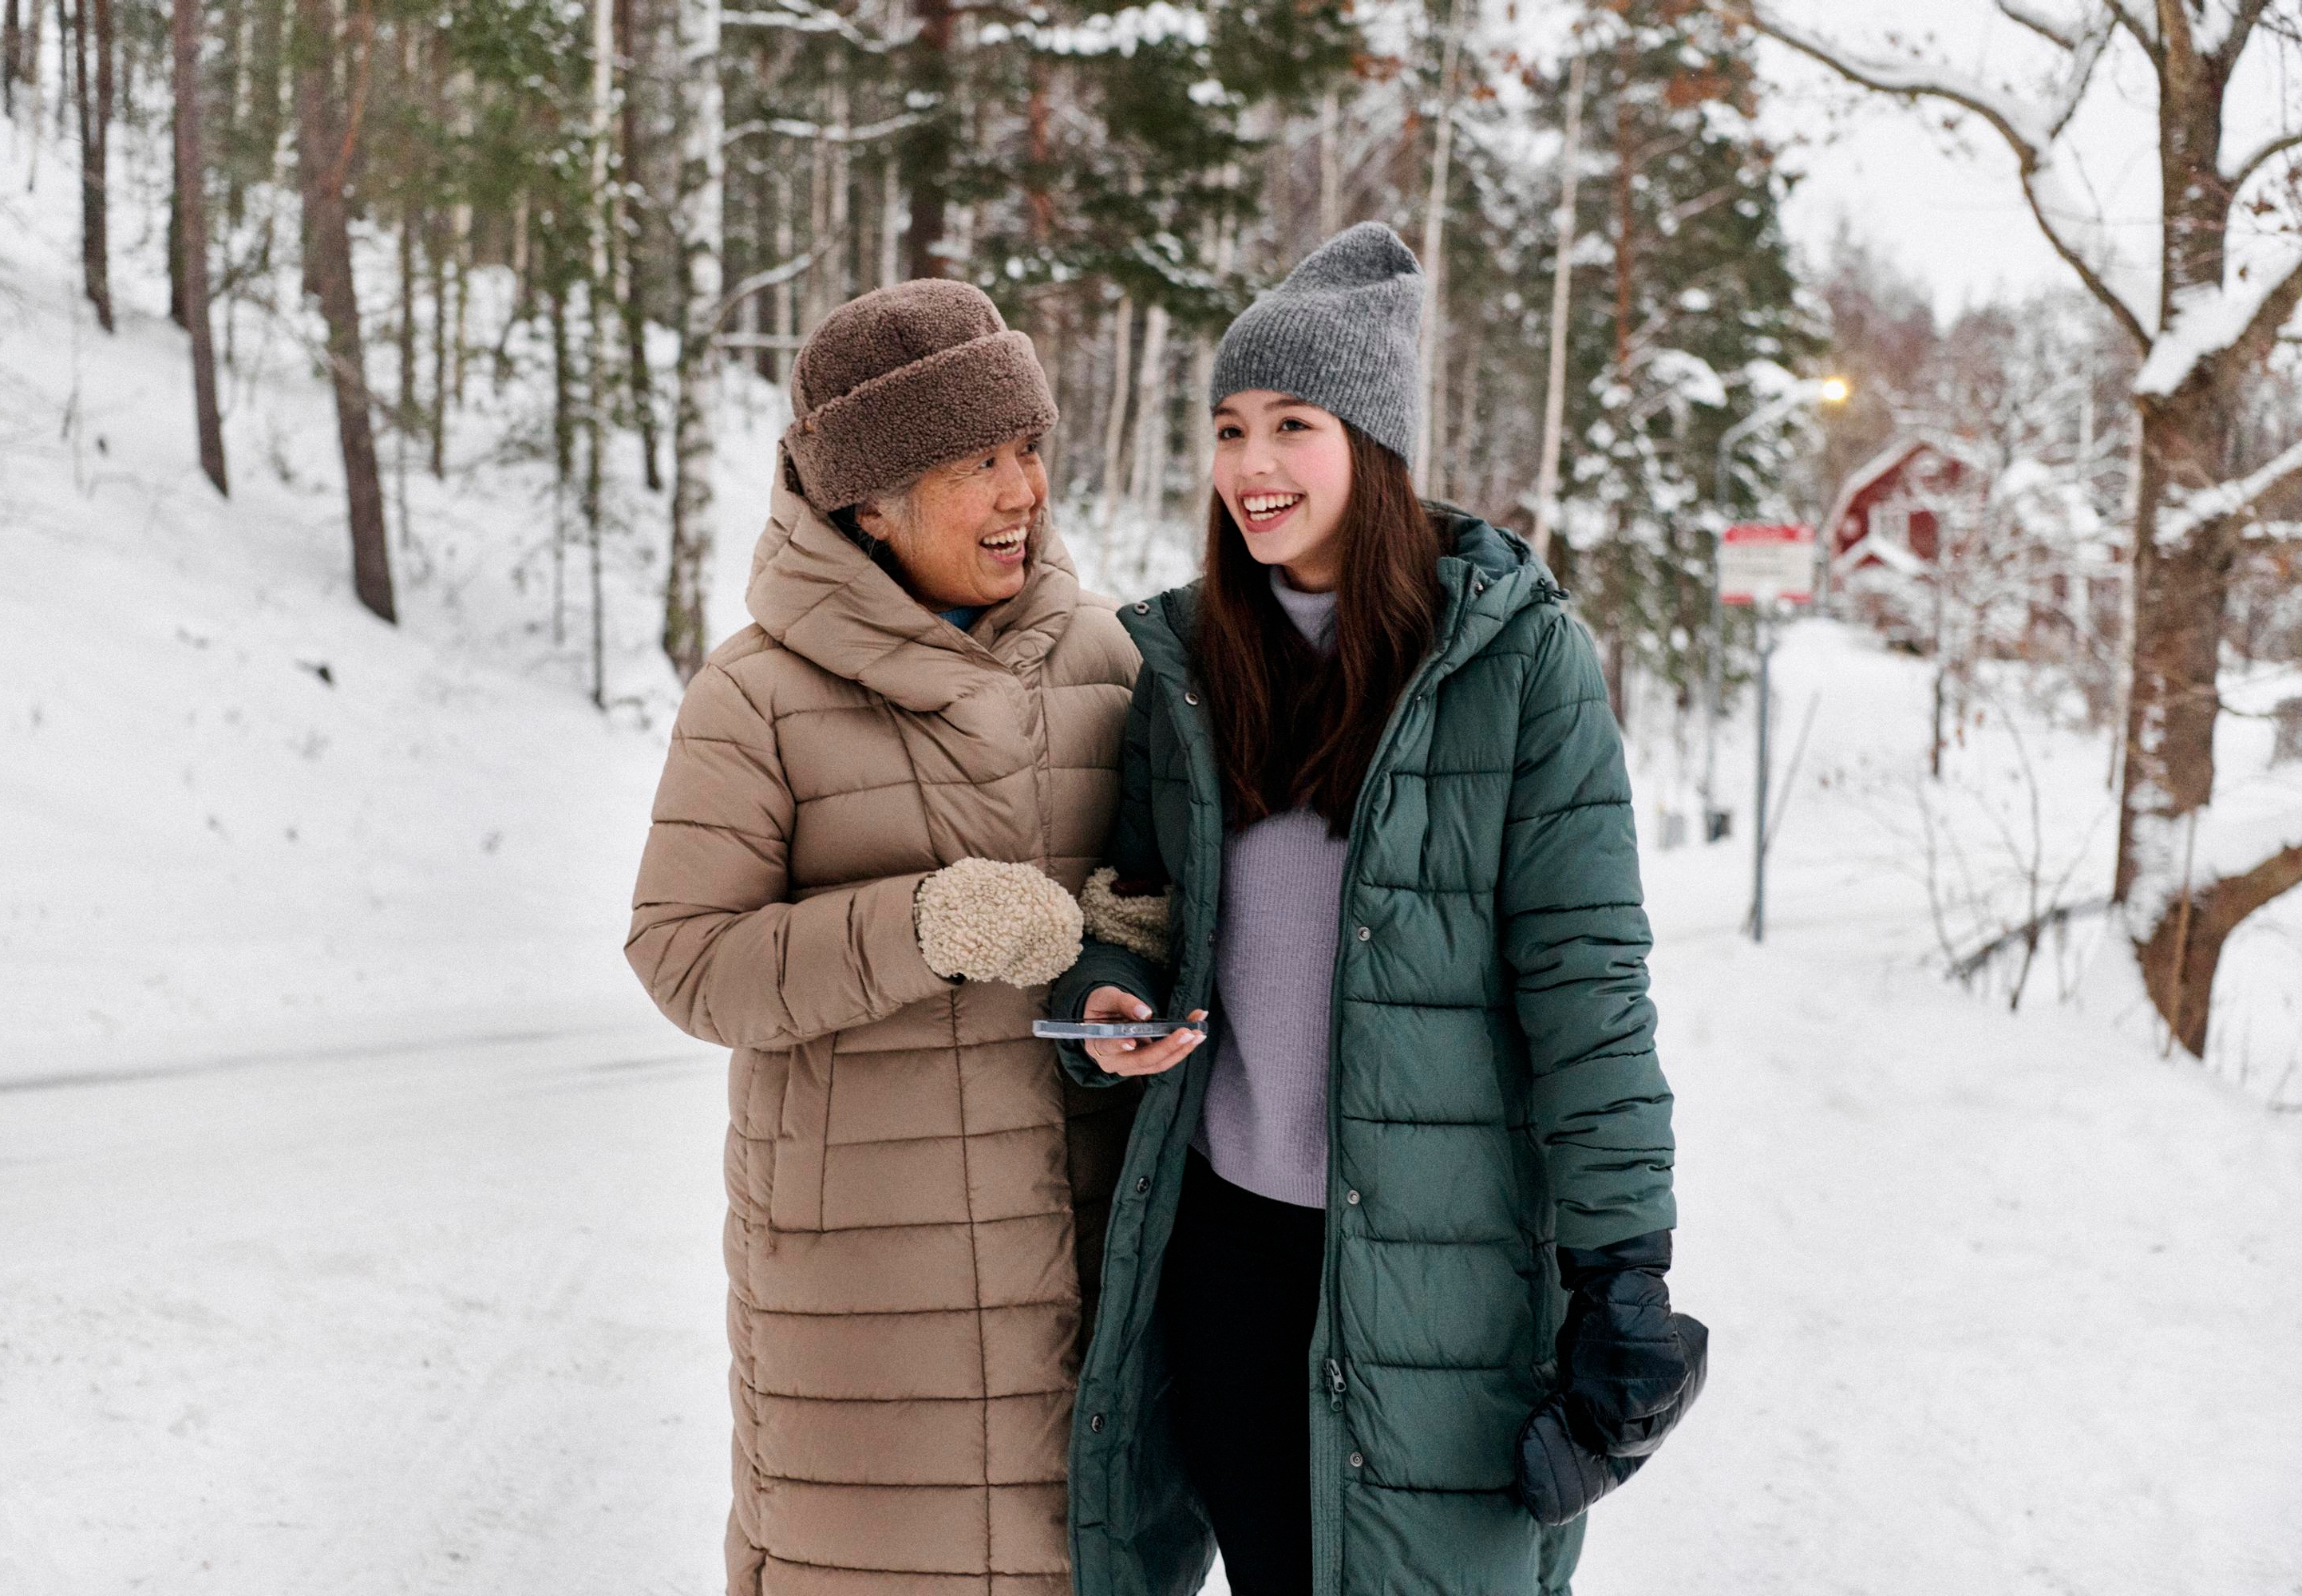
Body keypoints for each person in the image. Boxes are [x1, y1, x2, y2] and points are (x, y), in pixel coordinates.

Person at [1048, 224, 1707, 1596]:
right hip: (1226, 1269)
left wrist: (1624, 1269)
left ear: (1375, 444)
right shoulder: (1182, 664)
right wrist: (1113, 988)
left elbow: (1590, 986)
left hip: (1439, 1281)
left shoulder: (1517, 663)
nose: (1251, 466)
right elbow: (1138, 903)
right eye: (1229, 428)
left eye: (1294, 423)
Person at [627, 279, 1145, 1595]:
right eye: (978, 463)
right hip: (866, 1296)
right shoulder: (756, 692)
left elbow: (1160, 894)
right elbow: (686, 958)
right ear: (869, 499)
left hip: (1079, 1264)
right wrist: (924, 924)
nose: (1024, 490)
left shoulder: (1108, 659)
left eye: (1028, 447)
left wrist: (1135, 940)